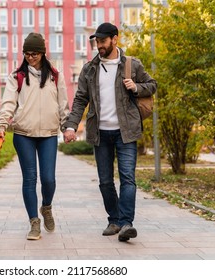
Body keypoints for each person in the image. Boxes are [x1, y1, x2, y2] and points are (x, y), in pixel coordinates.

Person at [63, 23, 157, 242]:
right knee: (105, 181)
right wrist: (70, 126)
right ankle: (114, 220)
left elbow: (152, 85)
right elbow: (80, 100)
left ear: (115, 39)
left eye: (103, 41)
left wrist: (136, 87)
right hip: (100, 133)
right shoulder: (90, 68)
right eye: (97, 42)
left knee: (128, 179)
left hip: (126, 132)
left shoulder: (132, 65)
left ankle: (126, 224)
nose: (99, 46)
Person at [0, 32, 70, 240]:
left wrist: (68, 127)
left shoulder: (55, 76)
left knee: (48, 179)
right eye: (27, 54)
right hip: (23, 134)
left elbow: (63, 106)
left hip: (48, 134)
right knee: (30, 178)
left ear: (43, 53)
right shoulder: (16, 77)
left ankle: (46, 207)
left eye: (35, 53)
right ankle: (34, 223)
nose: (31, 57)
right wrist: (1, 125)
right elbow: (8, 103)